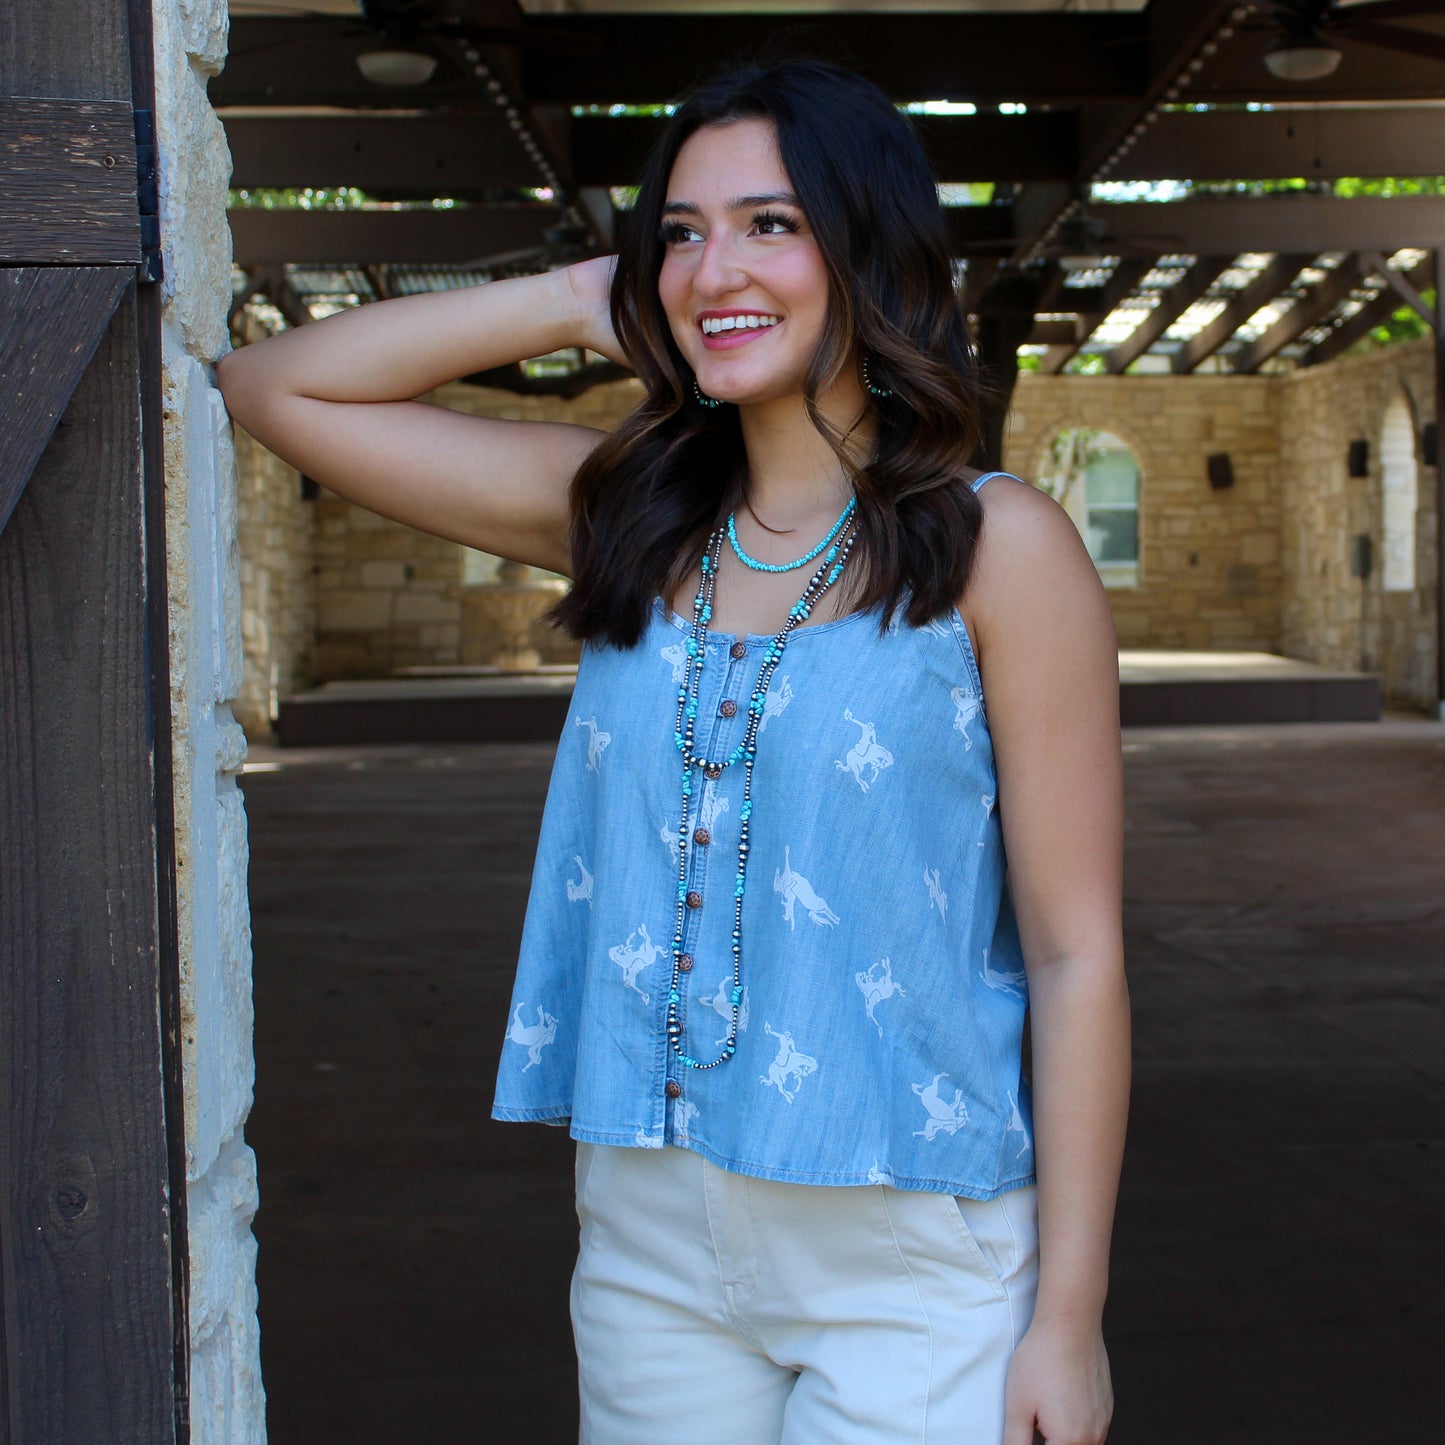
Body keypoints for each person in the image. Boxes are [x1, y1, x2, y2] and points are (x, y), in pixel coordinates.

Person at [218, 56, 1129, 1445]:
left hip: (908, 1248)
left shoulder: (1000, 550)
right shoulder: (628, 520)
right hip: (650, 1231)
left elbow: (1075, 956)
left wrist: (1067, 1319)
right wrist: (581, 296)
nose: (717, 268)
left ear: (866, 244)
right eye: (682, 232)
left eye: (771, 223)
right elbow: (276, 386)